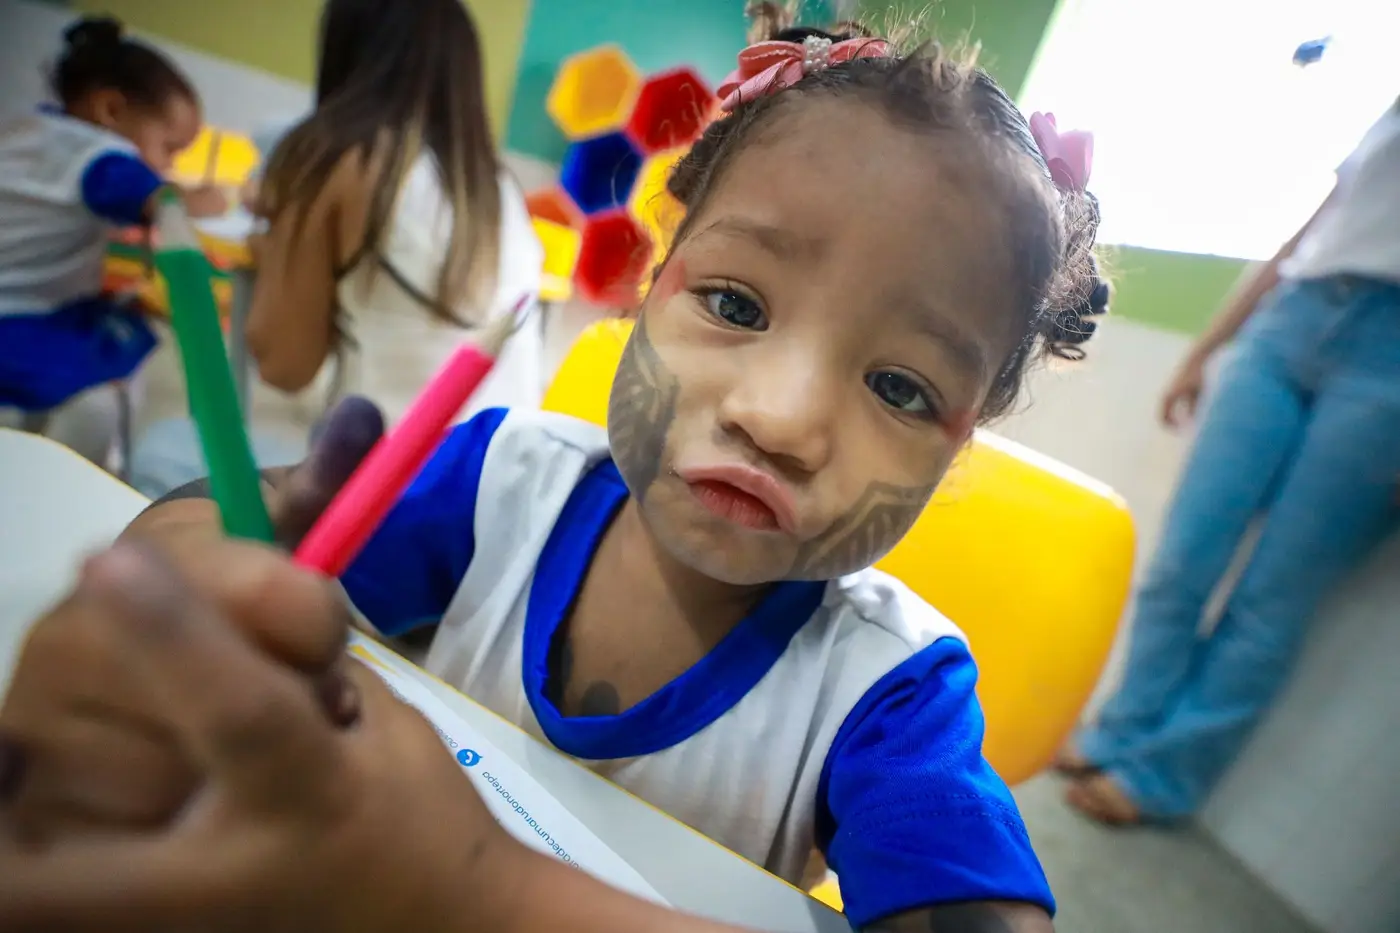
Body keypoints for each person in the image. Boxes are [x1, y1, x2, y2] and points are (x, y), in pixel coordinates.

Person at [0, 11, 1112, 931]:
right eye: (733, 305)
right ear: (648, 286)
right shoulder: (500, 483)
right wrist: (209, 582)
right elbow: (195, 533)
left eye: (900, 389)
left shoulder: (891, 691)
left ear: (955, 444)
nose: (777, 419)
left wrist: (472, 889)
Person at [1059, 99, 1400, 825]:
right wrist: (1205, 348)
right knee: (1183, 559)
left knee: (1273, 597)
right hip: (1292, 318)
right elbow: (1311, 229)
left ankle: (1160, 777)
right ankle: (1119, 731)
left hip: (1391, 363)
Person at [241, 0, 543, 424]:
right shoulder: (498, 187)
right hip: (504, 464)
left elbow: (283, 364)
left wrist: (274, 247)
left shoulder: (341, 155)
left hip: (390, 475)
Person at [0, 16, 225, 435]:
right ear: (112, 110)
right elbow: (161, 200)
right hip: (18, 318)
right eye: (169, 148)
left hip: (28, 300)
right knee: (120, 347)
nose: (166, 165)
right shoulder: (101, 157)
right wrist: (208, 198)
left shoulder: (31, 130)